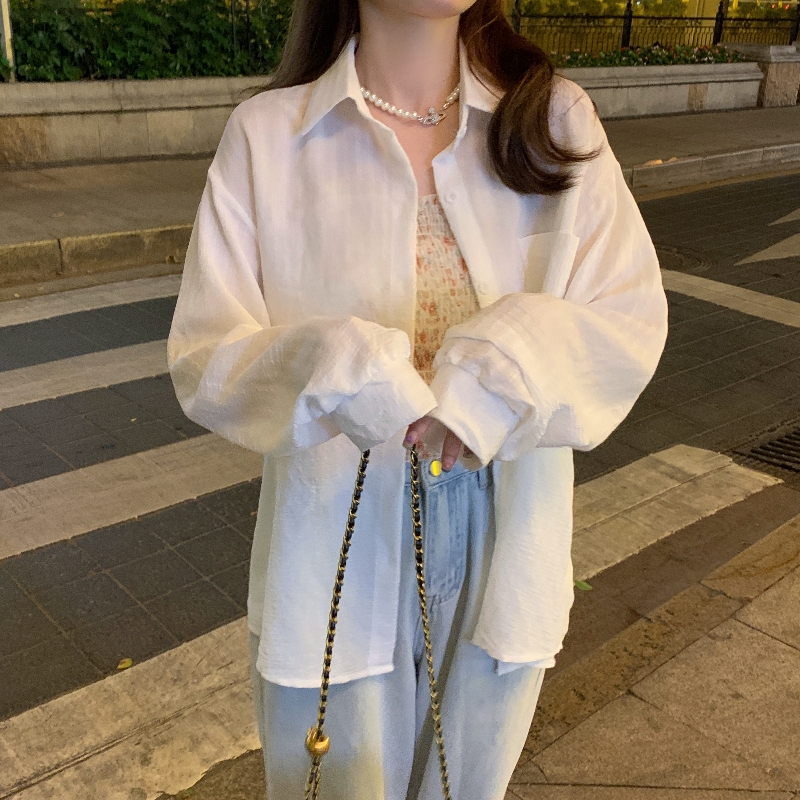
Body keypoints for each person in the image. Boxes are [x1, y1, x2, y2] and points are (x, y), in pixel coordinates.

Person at [167, 0, 668, 797]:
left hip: (505, 537)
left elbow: (627, 319)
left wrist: (498, 376)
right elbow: (207, 357)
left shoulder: (553, 120)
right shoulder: (269, 136)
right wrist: (347, 371)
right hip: (334, 541)